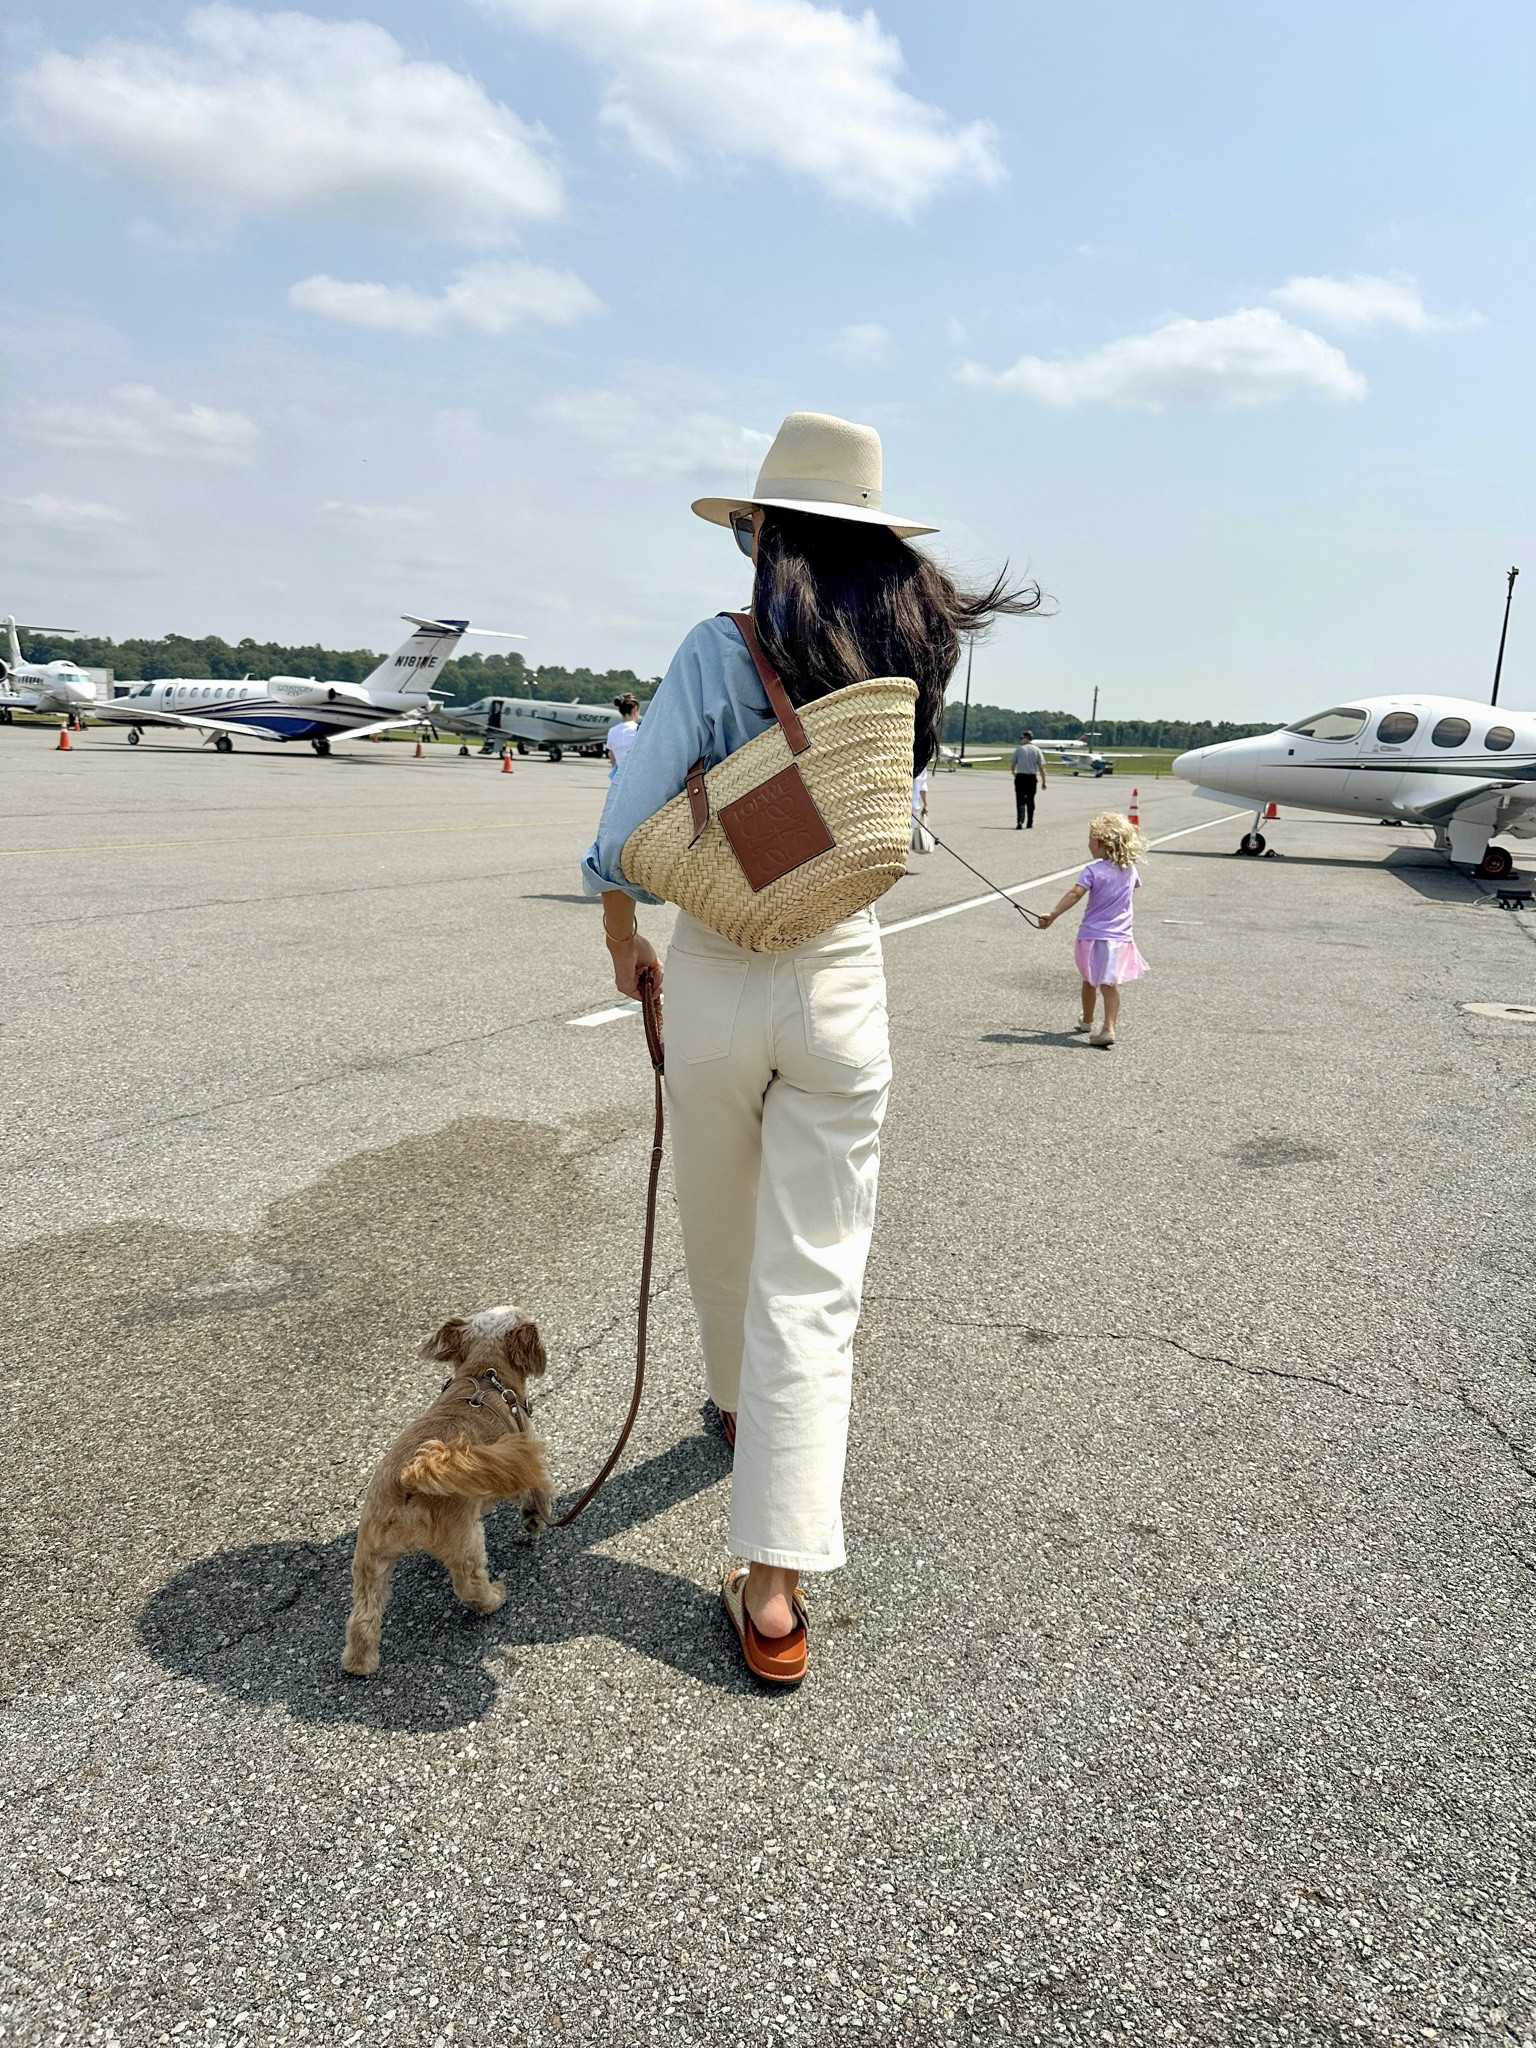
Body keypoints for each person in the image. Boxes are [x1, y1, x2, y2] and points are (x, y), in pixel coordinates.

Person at [580, 411, 1038, 1684]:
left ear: (767, 536)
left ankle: (737, 1404)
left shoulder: (718, 647)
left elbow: (624, 831)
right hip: (842, 972)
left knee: (721, 1226)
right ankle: (774, 1586)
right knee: (817, 1273)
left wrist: (623, 934)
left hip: (720, 963)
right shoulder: (911, 653)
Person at [1037, 811, 1148, 1049]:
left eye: (1090, 839)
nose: (1088, 843)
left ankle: (1090, 1021)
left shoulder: (1092, 870)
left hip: (1093, 935)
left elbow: (1075, 894)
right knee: (1110, 984)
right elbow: (1131, 891)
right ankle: (1106, 1026)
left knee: (1089, 979)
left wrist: (1053, 914)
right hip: (1120, 937)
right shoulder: (1130, 870)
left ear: (1100, 843)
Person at [1010, 729, 1046, 829]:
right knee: (1030, 800)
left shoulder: (1019, 749)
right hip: (1031, 778)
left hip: (1021, 777)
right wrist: (1044, 781)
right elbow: (1041, 767)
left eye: (1022, 738)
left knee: (1020, 800)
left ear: (1026, 738)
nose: (1021, 740)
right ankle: (1030, 822)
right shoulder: (1037, 750)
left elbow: (1012, 764)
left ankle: (1020, 821)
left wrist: (1014, 773)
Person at [605, 692, 641, 777]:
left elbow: (612, 757)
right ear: (635, 710)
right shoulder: (638, 730)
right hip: (637, 776)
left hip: (620, 777)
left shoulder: (612, 731)